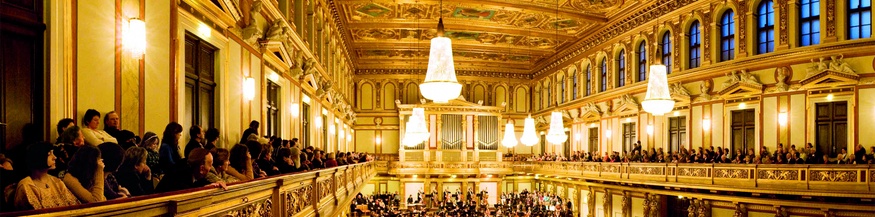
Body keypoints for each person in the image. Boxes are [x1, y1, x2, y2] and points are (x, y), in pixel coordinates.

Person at [13, 142, 80, 210]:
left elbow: (75, 207)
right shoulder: (27, 185)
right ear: (39, 157)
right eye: (49, 154)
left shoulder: (57, 182)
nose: (55, 157)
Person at [155, 148, 226, 193]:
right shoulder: (180, 173)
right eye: (210, 165)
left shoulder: (193, 168)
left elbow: (199, 182)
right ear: (201, 168)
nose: (211, 168)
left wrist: (211, 184)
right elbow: (187, 191)